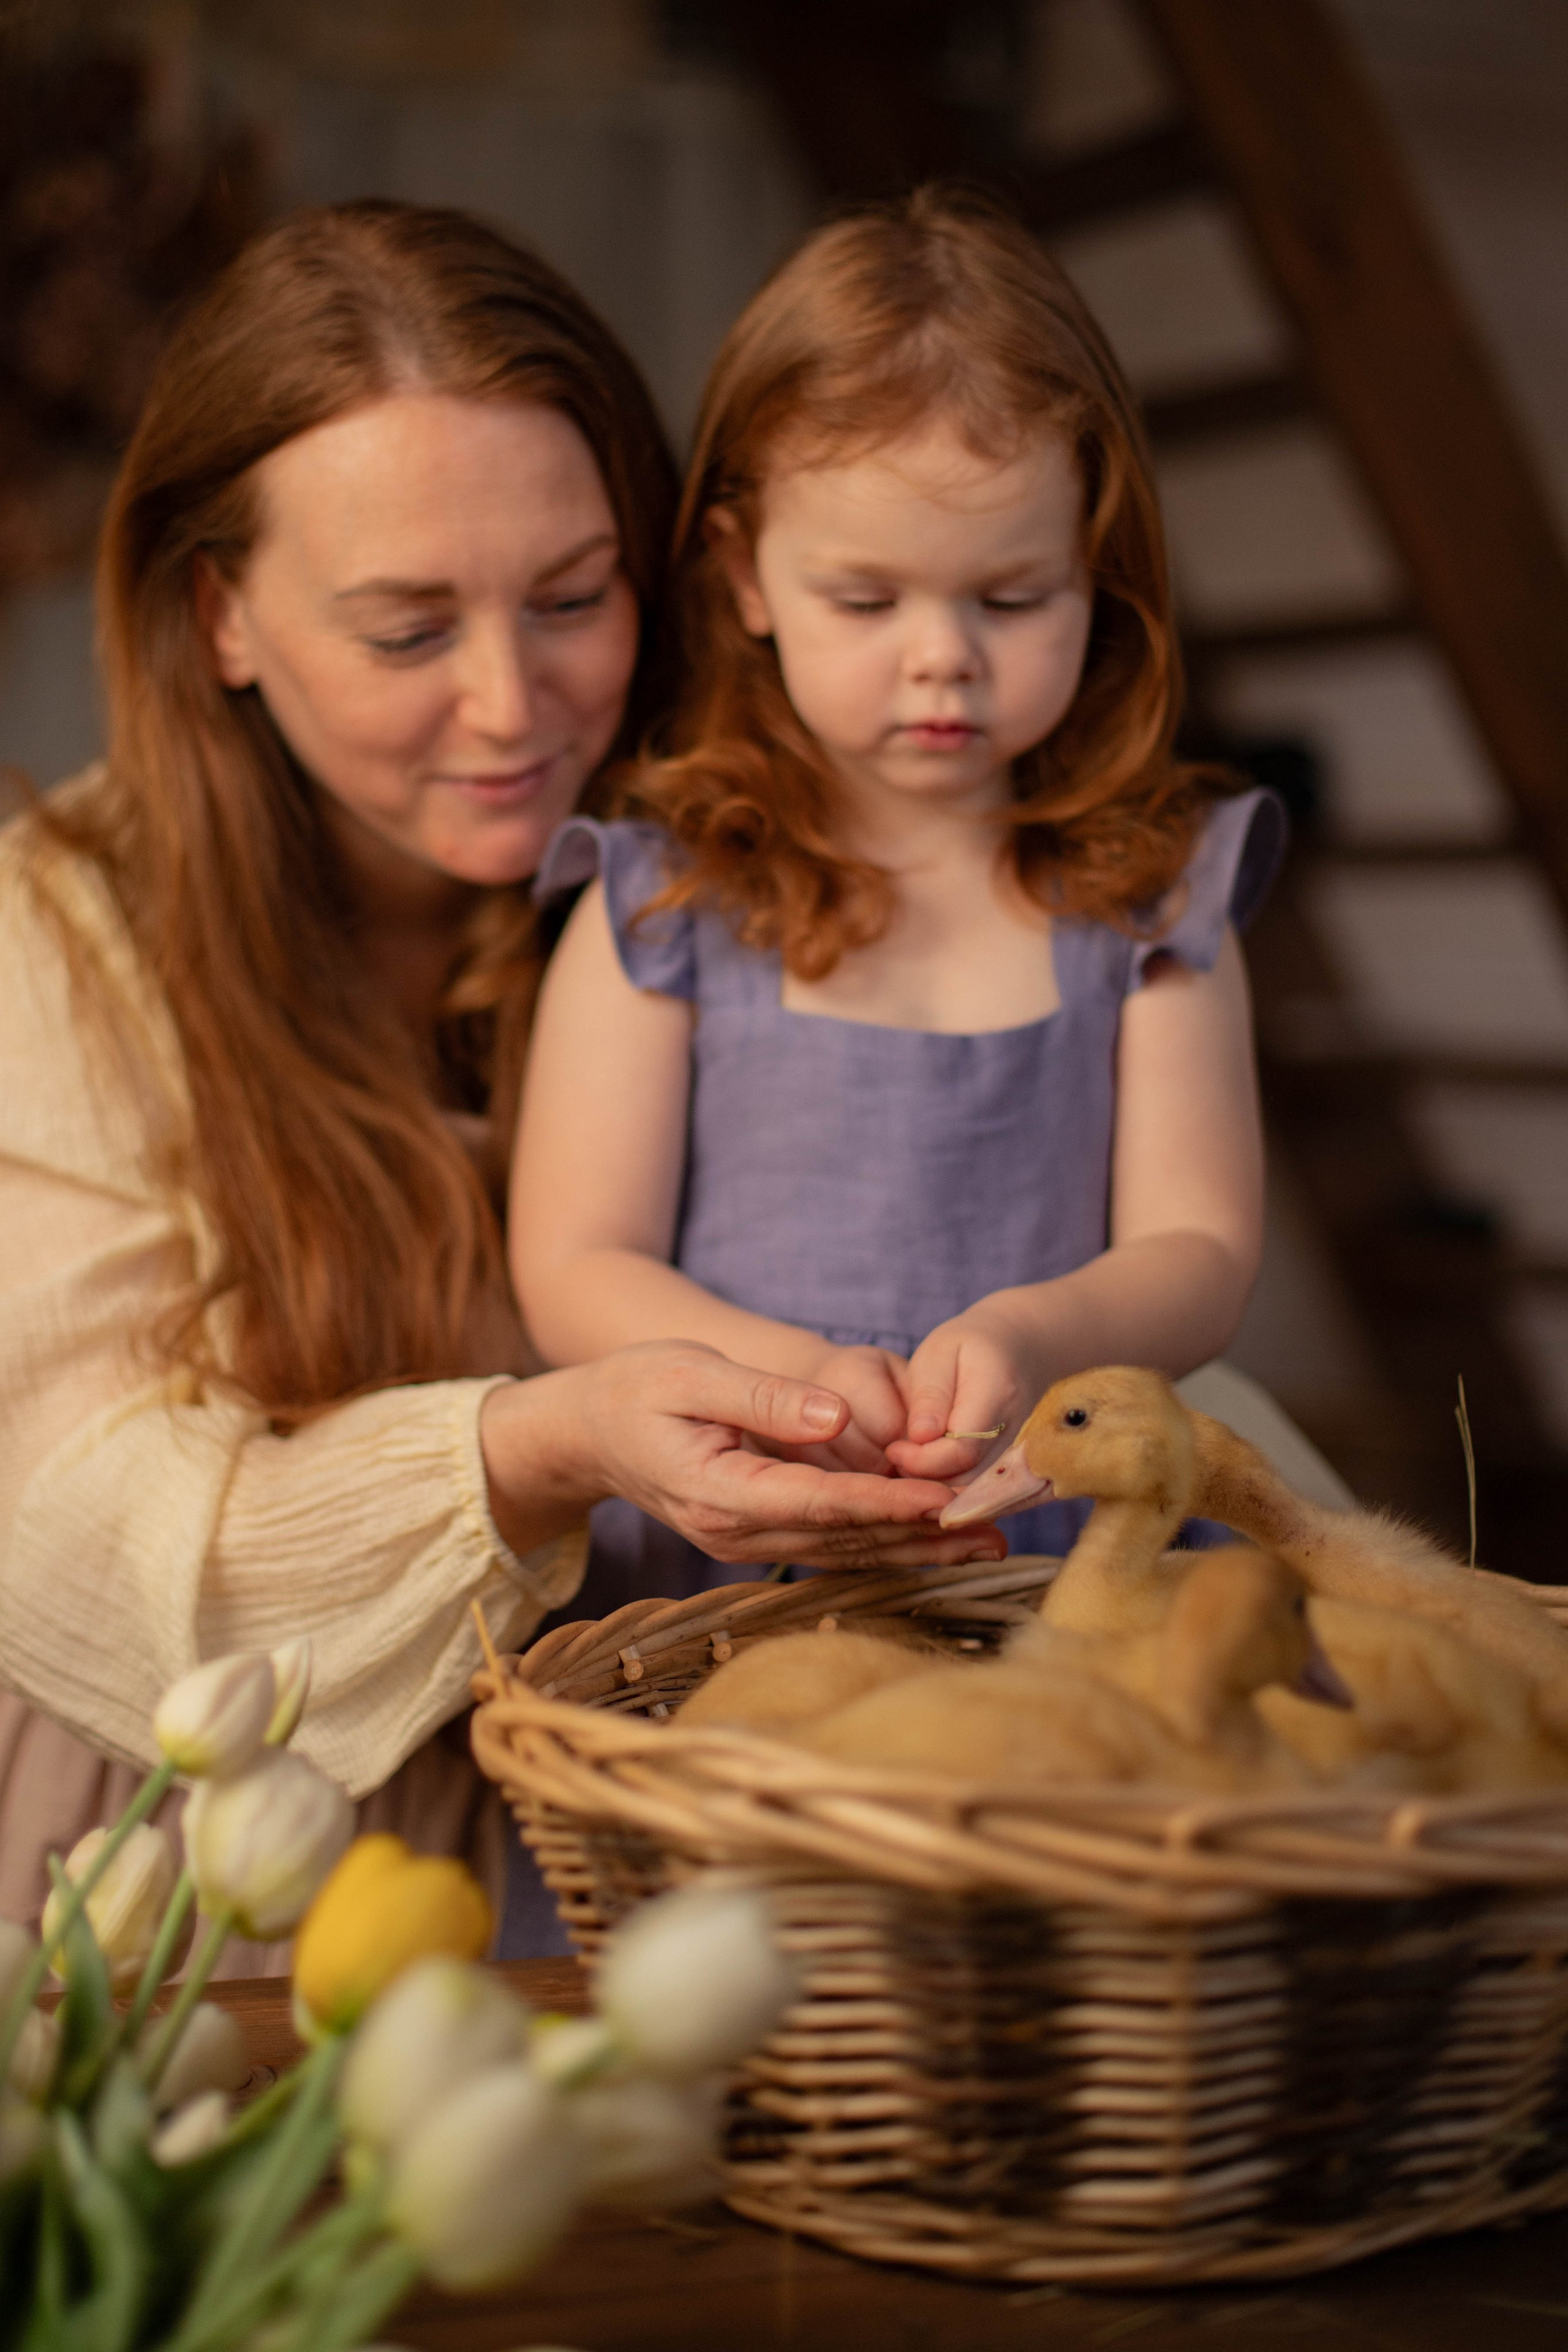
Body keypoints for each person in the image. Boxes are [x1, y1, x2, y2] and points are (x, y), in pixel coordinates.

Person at [0, 200, 1000, 1945]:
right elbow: (92, 1540)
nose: (510, 704)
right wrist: (543, 1443)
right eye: (406, 632)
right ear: (220, 615)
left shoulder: (727, 885)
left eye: (570, 598)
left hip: (659, 1820)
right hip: (205, 1865)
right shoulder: (56, 940)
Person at [510, 187, 1290, 1594]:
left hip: (1053, 1556)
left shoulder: (1150, 904)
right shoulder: (664, 902)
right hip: (729, 1554)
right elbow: (575, 1262)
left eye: (1011, 598)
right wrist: (790, 1381)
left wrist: (1035, 1338)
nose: (942, 658)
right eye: (865, 602)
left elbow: (1202, 1246)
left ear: (1093, 567)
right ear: (746, 576)